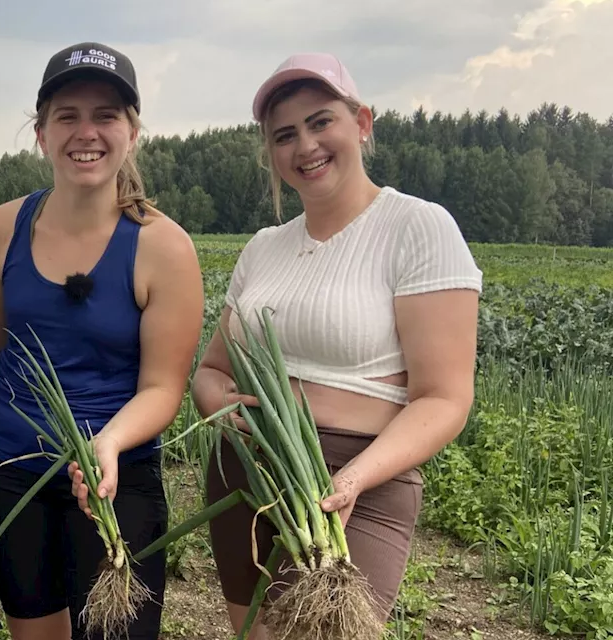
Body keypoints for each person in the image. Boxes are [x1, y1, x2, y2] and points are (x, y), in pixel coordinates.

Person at [192, 53, 482, 637]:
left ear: (362, 123)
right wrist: (225, 409)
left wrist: (352, 479)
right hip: (248, 468)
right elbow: (211, 372)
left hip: (357, 474)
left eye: (321, 122)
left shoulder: (418, 227)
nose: (305, 146)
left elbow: (443, 398)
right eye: (285, 135)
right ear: (272, 153)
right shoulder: (263, 247)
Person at [0, 42, 205, 640]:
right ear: (41, 133)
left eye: (106, 115)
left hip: (114, 476)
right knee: (35, 630)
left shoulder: (163, 247)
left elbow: (162, 387)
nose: (87, 132)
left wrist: (109, 443)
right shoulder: (3, 228)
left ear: (132, 132)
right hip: (12, 474)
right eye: (67, 115)